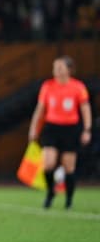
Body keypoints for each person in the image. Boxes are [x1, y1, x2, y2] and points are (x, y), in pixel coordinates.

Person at [28, 56, 92, 209]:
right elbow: (40, 110)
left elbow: (85, 108)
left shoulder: (78, 87)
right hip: (51, 128)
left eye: (60, 67)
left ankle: (69, 201)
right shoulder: (48, 86)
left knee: (69, 167)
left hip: (70, 129)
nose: (56, 70)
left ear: (69, 69)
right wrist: (33, 128)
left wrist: (87, 129)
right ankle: (51, 191)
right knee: (48, 164)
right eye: (54, 67)